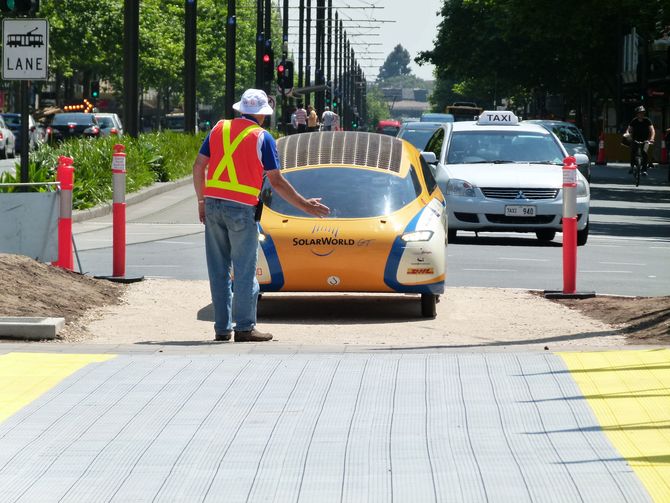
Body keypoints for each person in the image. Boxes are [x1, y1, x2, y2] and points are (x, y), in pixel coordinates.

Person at [192, 89, 330, 342]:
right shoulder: (262, 138)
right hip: (242, 209)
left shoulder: (219, 129)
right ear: (263, 115)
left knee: (218, 270)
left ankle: (222, 329)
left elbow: (199, 165)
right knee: (244, 271)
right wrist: (305, 206)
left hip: (212, 206)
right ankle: (244, 328)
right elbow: (276, 181)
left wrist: (202, 201)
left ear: (241, 110)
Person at [626, 105, 655, 175]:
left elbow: (652, 130)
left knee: (644, 153)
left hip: (645, 140)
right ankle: (632, 167)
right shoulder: (634, 121)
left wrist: (652, 138)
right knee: (633, 151)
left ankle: (644, 170)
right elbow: (628, 129)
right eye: (640, 113)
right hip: (635, 139)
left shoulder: (647, 120)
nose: (641, 114)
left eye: (642, 113)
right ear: (637, 114)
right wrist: (627, 135)